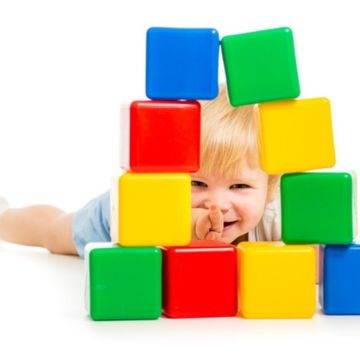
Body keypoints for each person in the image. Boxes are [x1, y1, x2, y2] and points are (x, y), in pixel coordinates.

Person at [0, 85, 281, 258]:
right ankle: (4, 217)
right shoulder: (149, 209)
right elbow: (174, 228)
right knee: (54, 233)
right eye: (197, 182)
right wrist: (194, 227)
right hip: (132, 215)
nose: (217, 203)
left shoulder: (277, 220)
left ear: (270, 188)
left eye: (240, 187)